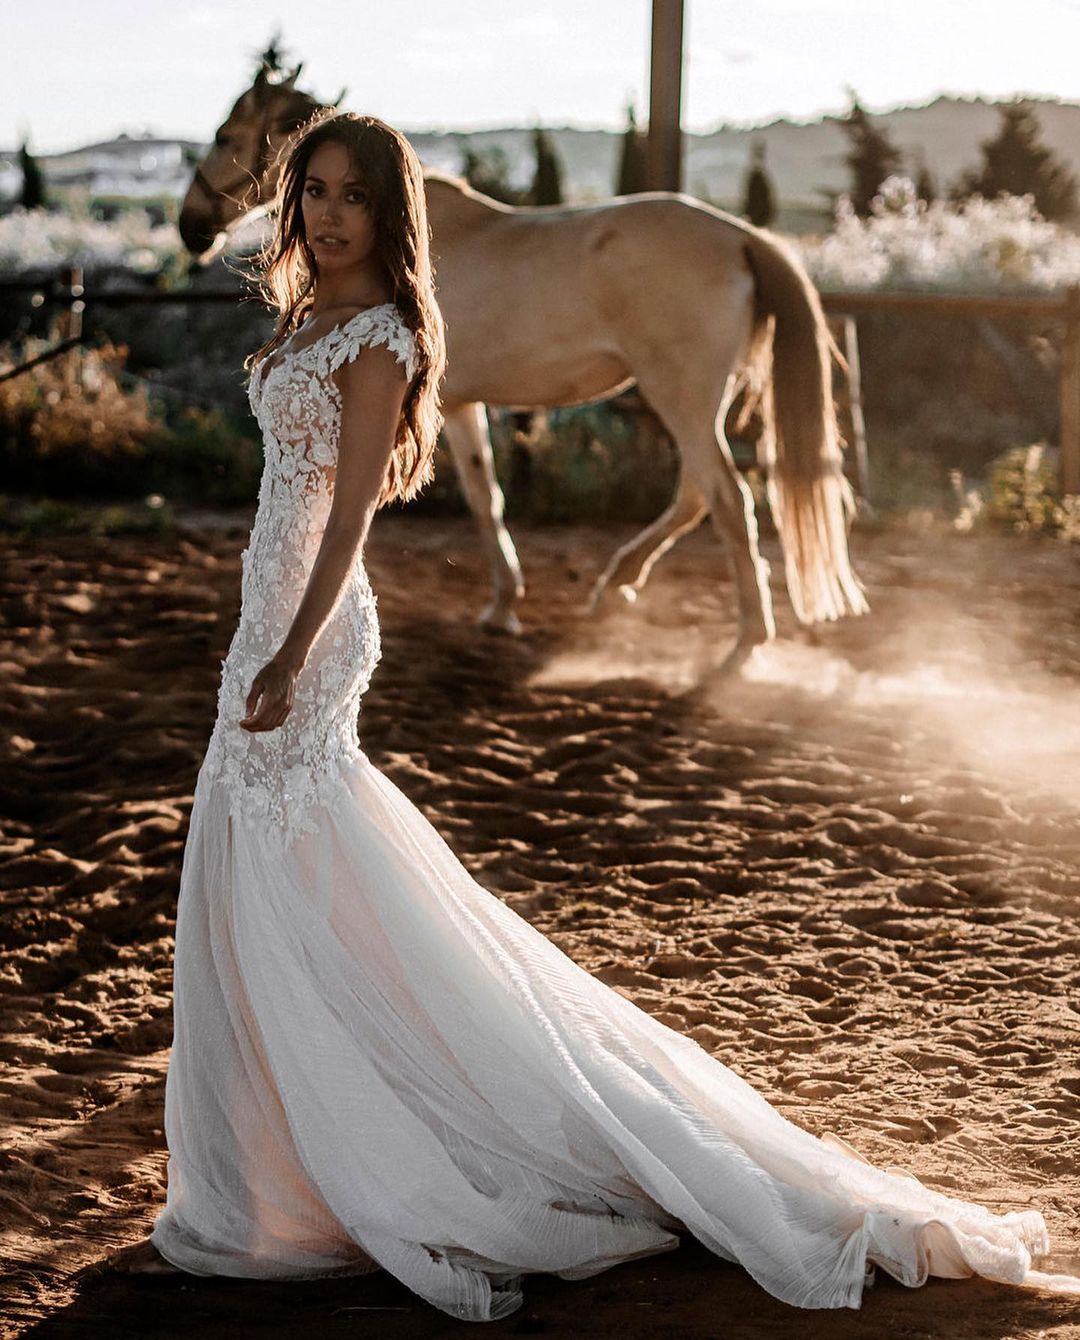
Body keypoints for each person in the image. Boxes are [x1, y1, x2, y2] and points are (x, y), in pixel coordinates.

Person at [112, 111, 1077, 1320]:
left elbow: (354, 511)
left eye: (356, 195)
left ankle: (373, 1140)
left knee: (304, 849)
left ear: (391, 211)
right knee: (274, 856)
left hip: (306, 624)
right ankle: (278, 1157)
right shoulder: (301, 314)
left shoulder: (378, 334)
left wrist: (296, 645)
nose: (328, 213)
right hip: (266, 610)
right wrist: (265, 623)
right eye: (313, 190)